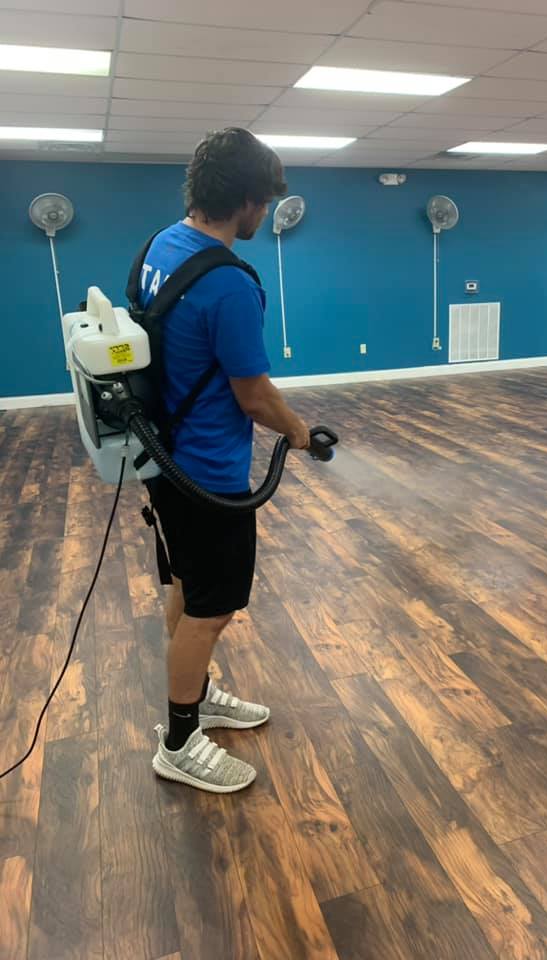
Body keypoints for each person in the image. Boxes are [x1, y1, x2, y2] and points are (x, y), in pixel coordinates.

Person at [140, 128, 310, 793]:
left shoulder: (162, 245)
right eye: (263, 202)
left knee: (187, 582)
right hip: (207, 476)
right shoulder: (230, 283)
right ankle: (180, 740)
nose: (263, 215)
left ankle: (198, 697)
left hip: (163, 456)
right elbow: (254, 396)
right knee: (210, 610)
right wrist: (296, 430)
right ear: (244, 200)